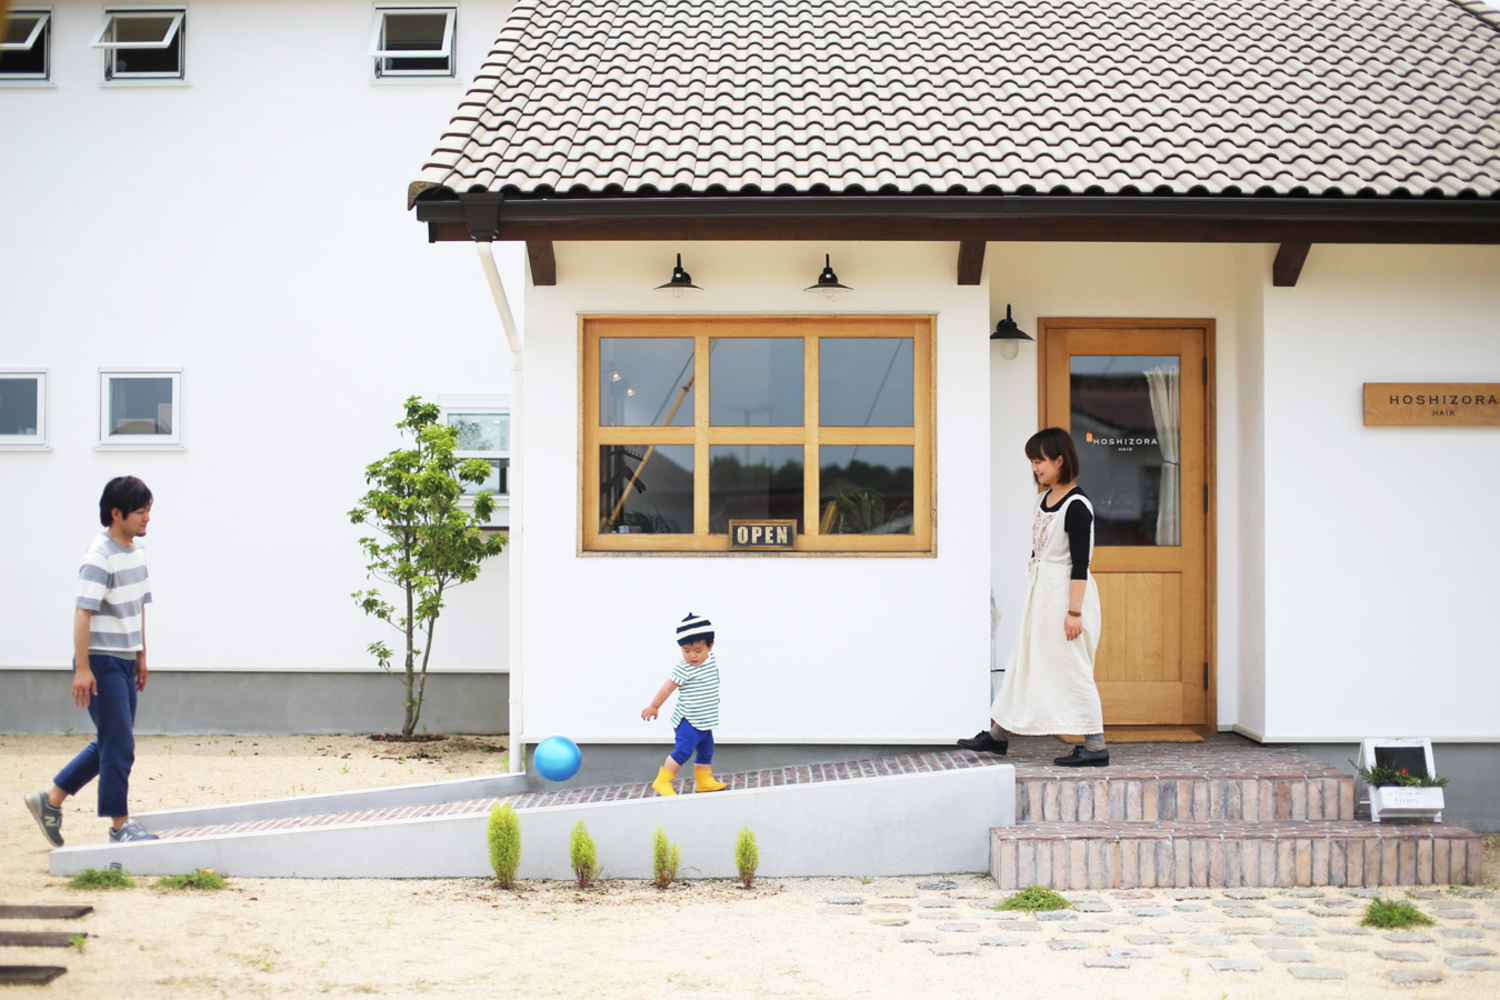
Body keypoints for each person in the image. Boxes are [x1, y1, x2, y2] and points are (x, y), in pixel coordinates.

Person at [958, 428, 1109, 767]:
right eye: (1032, 461)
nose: (1035, 468)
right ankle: (998, 736)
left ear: (1060, 460)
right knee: (1022, 661)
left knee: (1073, 666)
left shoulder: (1077, 506)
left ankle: (1096, 745)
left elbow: (1081, 563)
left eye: (1039, 460)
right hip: (1043, 594)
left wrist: (1074, 612)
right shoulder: (1045, 499)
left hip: (1067, 597)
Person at [24, 476, 161, 846]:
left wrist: (141, 653)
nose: (147, 518)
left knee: (111, 740)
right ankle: (120, 827)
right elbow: (82, 613)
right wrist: (83, 668)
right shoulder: (99, 556)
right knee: (119, 745)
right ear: (116, 513)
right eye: (140, 512)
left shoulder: (137, 553)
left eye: (149, 510)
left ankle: (49, 802)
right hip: (100, 663)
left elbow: (137, 609)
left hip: (125, 660)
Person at [640, 612, 728, 796]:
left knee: (706, 750)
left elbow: (709, 684)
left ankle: (704, 780)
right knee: (684, 751)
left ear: (710, 646)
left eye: (698, 651)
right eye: (686, 651)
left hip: (705, 720)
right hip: (688, 720)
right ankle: (662, 781)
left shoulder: (711, 663)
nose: (692, 656)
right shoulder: (683, 668)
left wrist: (712, 699)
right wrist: (654, 706)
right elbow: (667, 688)